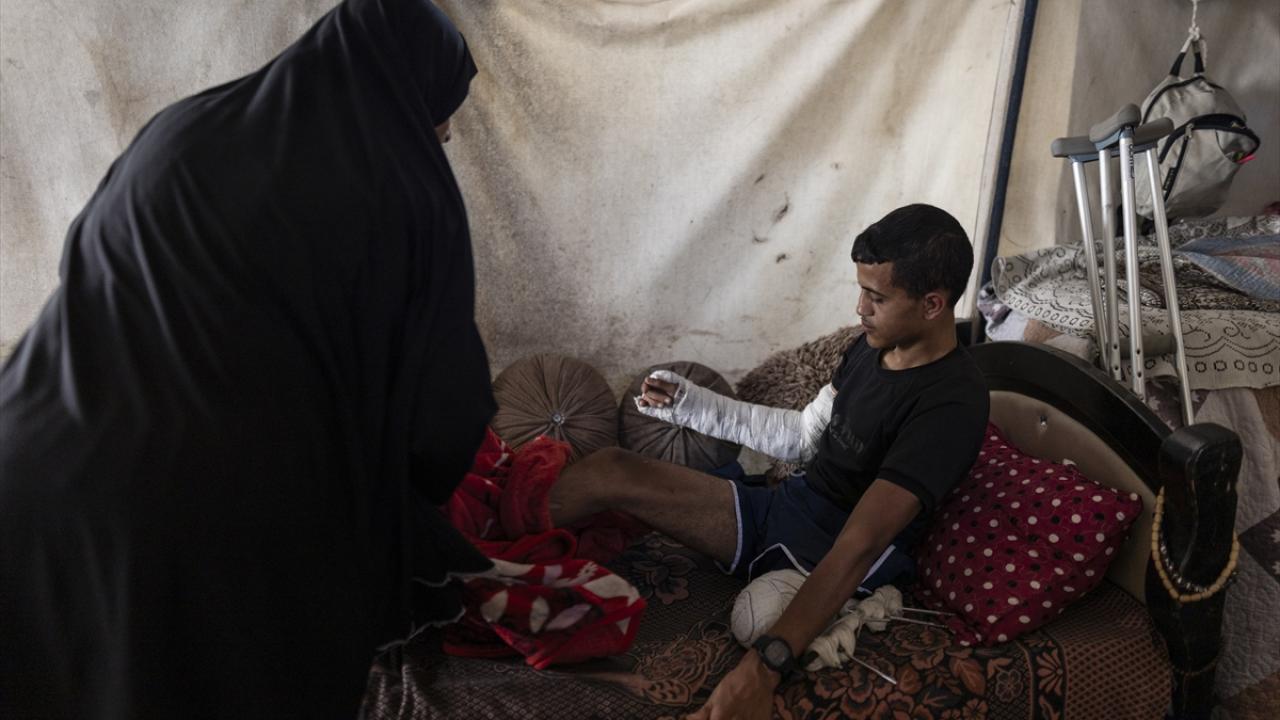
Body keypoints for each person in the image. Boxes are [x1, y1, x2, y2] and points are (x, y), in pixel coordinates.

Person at [0, 1, 494, 717]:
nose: (445, 132)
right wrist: (396, 511)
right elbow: (442, 409)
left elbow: (86, 265)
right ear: (411, 86)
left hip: (29, 470)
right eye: (444, 112)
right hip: (193, 534)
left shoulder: (185, 126)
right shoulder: (400, 189)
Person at [548, 204, 990, 719]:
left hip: (830, 555)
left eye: (877, 297)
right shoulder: (867, 349)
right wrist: (693, 406)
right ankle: (479, 559)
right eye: (861, 291)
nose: (859, 308)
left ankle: (841, 612)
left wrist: (761, 670)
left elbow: (862, 541)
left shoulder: (950, 403)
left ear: (933, 304)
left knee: (756, 622)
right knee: (610, 468)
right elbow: (802, 438)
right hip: (783, 510)